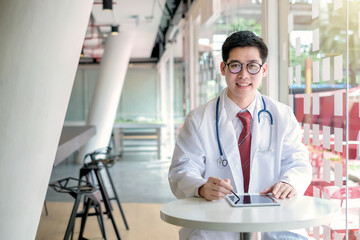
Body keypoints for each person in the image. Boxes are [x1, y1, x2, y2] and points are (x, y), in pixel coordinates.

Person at [168, 30, 312, 240]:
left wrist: (289, 182)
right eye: (235, 66)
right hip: (214, 225)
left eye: (252, 66)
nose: (244, 75)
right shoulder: (199, 119)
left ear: (264, 70)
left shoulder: (282, 116)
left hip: (275, 221)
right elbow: (182, 169)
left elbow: (298, 162)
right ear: (223, 68)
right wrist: (200, 188)